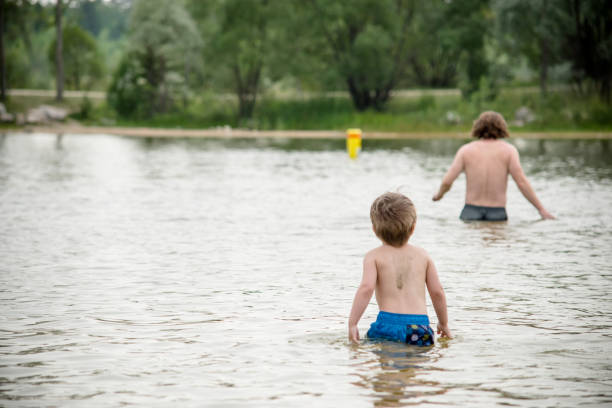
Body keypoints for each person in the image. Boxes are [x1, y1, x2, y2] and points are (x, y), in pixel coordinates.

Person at [348, 192, 451, 346]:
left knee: (385, 366)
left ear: (374, 229)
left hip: (388, 323)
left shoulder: (373, 257)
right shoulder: (423, 256)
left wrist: (353, 323)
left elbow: (366, 288)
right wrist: (443, 323)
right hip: (420, 327)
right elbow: (437, 292)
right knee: (416, 367)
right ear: (413, 228)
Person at [432, 111, 554, 221]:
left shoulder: (465, 150)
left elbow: (447, 181)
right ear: (502, 128)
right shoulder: (509, 151)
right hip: (497, 213)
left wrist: (439, 195)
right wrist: (541, 209)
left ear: (477, 127)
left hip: (470, 211)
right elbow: (521, 182)